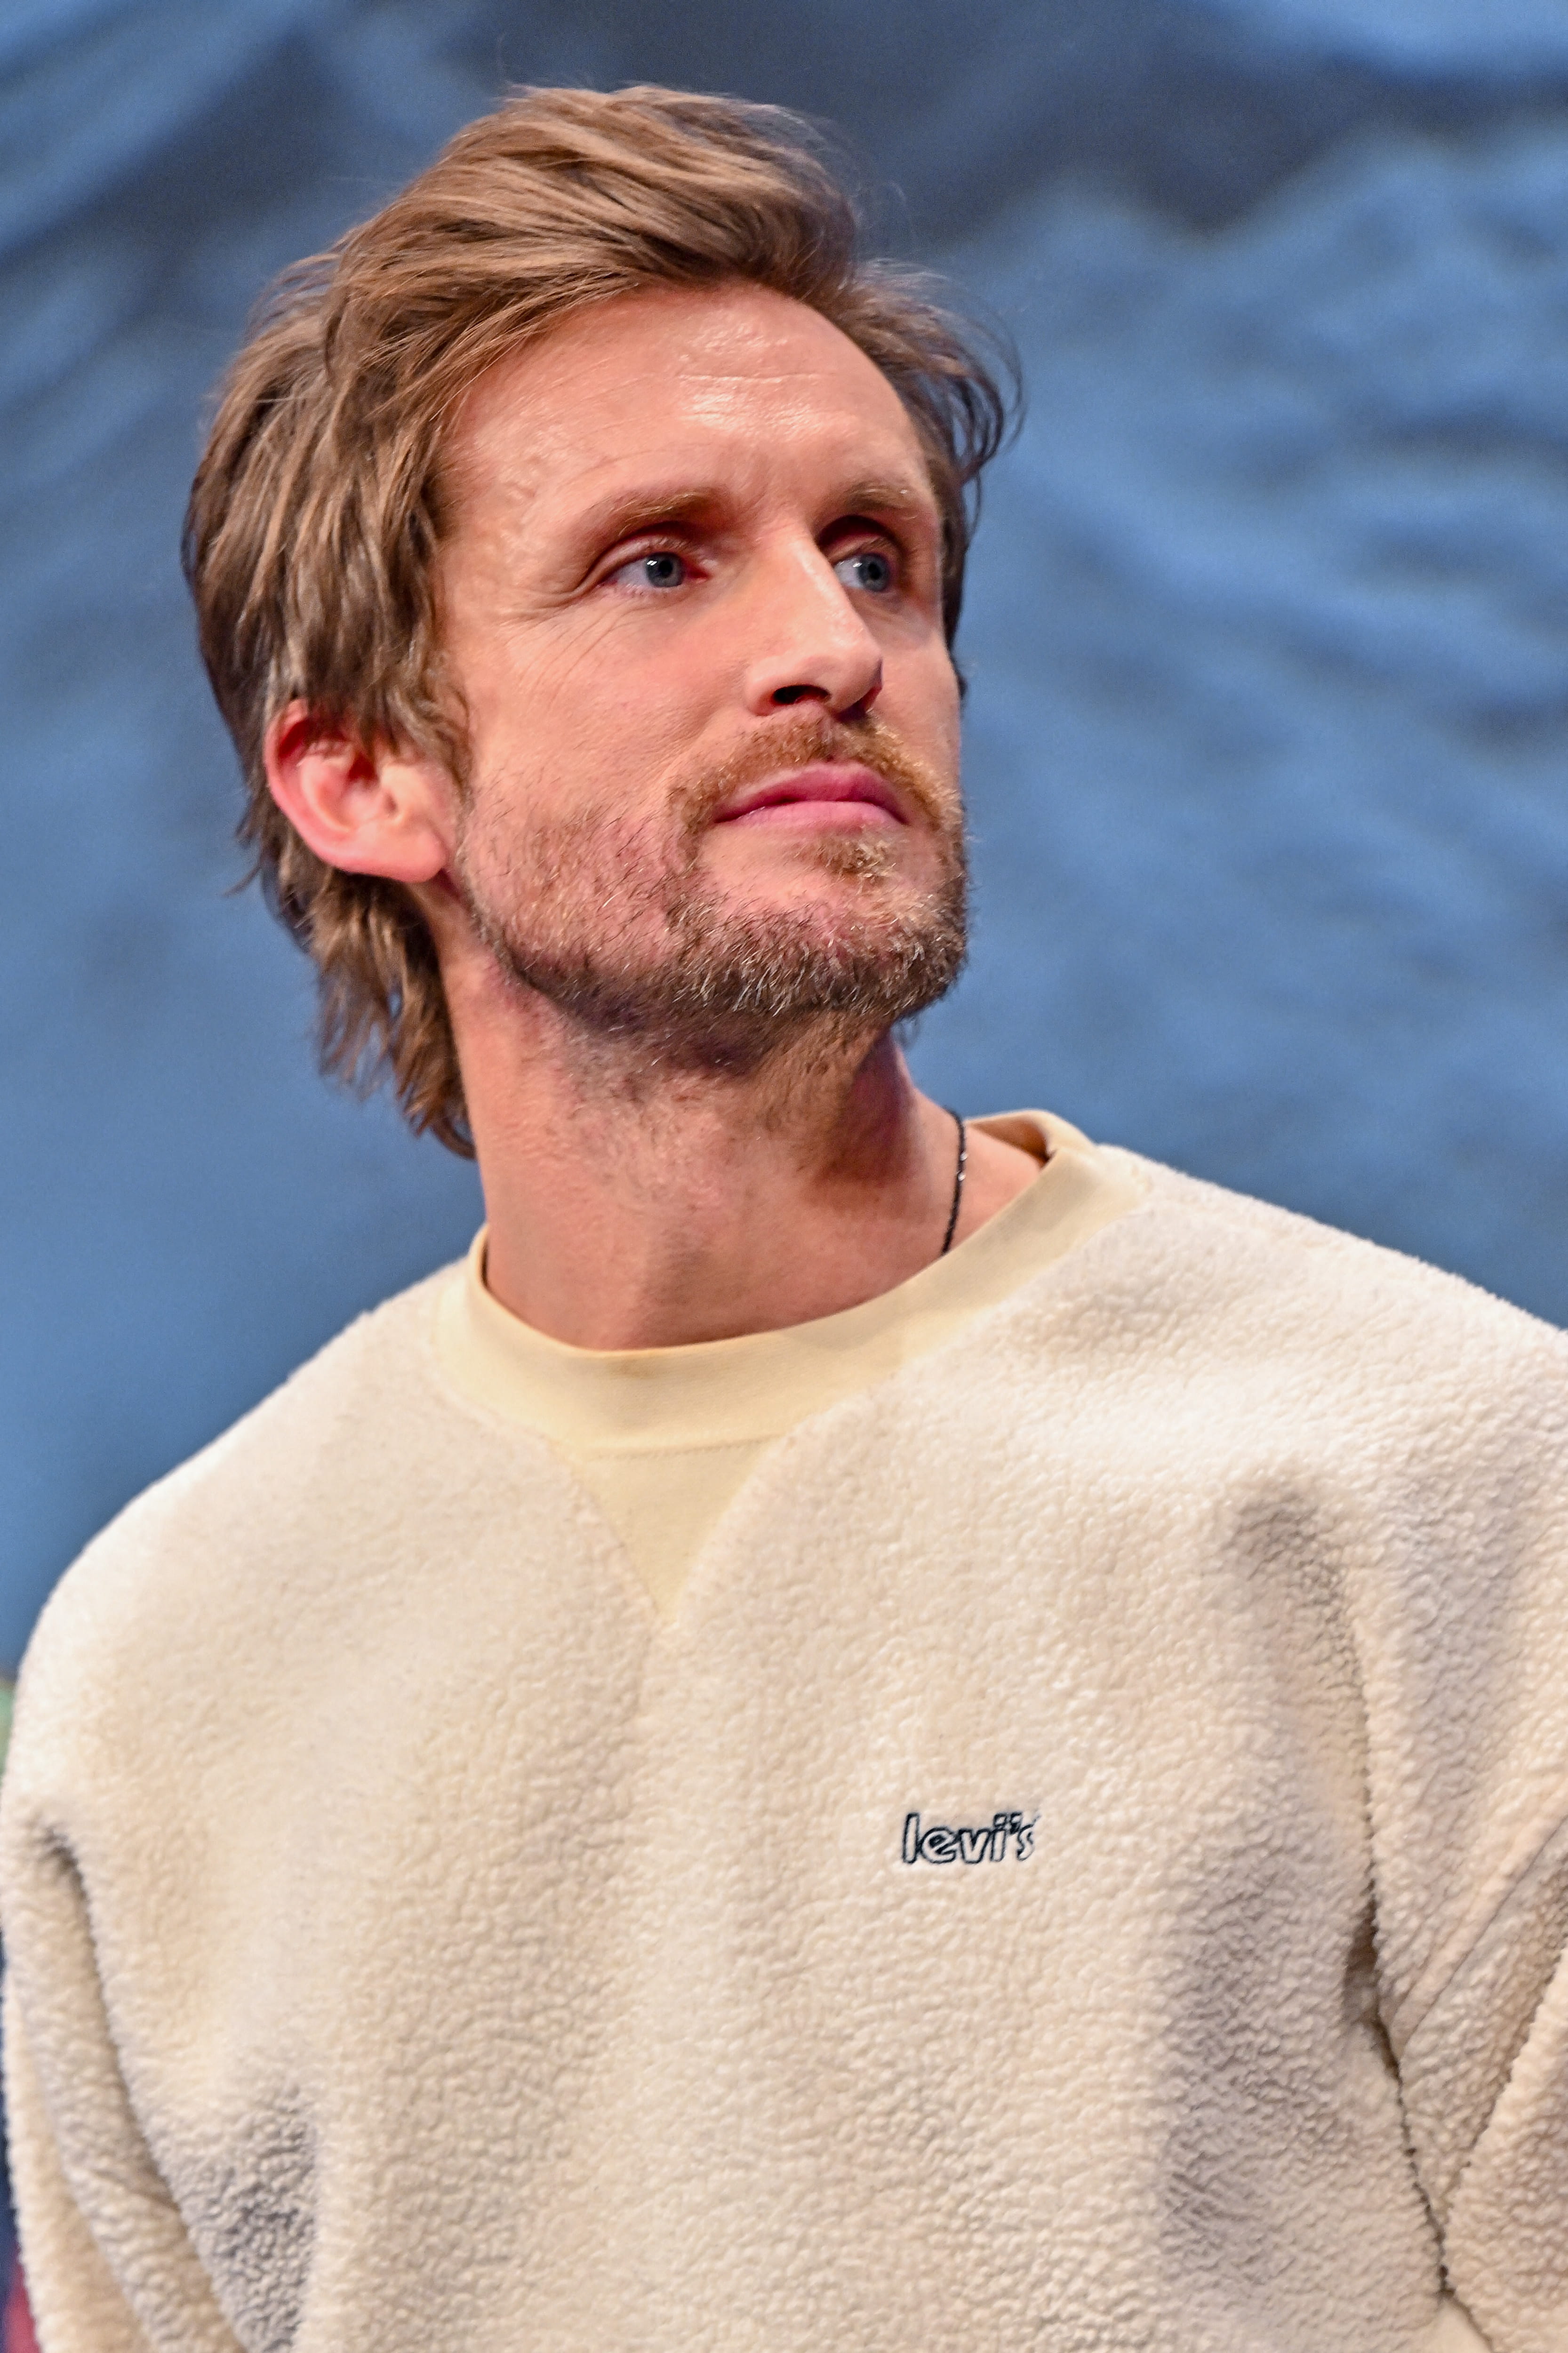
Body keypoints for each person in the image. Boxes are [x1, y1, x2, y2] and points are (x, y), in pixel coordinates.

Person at [3, 83, 1567, 2353]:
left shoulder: (1444, 1467)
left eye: (875, 555)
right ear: (361, 771)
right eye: (659, 561)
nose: (830, 644)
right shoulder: (158, 1670)